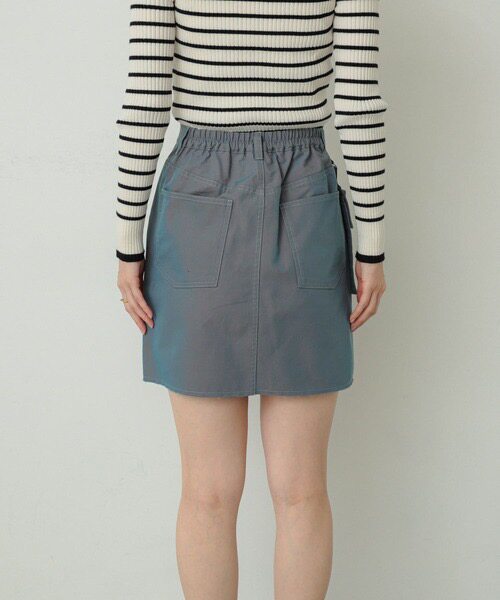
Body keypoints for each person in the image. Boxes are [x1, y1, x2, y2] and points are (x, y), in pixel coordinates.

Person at [116, 1, 387, 598]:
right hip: (307, 199)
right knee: (302, 491)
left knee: (207, 493)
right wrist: (370, 245)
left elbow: (147, 93)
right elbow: (357, 99)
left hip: (197, 199)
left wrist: (128, 240)